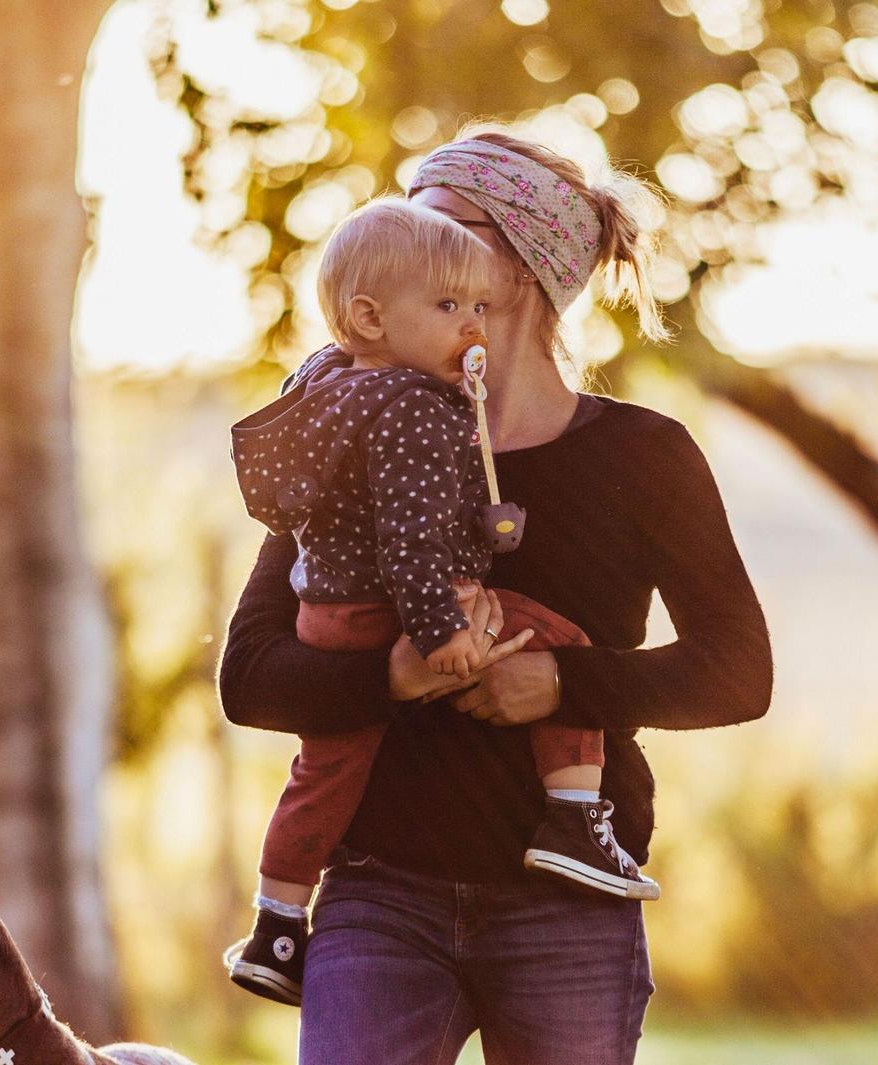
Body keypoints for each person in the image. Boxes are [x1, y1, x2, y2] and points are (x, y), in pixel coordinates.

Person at [218, 129, 774, 1065]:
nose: (392, 230)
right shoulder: (354, 424)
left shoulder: (644, 455)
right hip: (376, 898)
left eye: (432, 219)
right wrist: (390, 678)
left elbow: (737, 672)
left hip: (570, 906)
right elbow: (251, 678)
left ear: (516, 271)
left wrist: (561, 684)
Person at [223, 197, 658, 1008]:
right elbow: (410, 544)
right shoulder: (419, 410)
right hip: (386, 868)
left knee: (320, 772)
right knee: (558, 636)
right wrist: (435, 637)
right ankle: (571, 816)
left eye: (479, 301)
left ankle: (277, 924)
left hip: (329, 609)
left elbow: (738, 669)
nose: (472, 324)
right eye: (451, 304)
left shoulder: (326, 386)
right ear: (371, 316)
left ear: (529, 280)